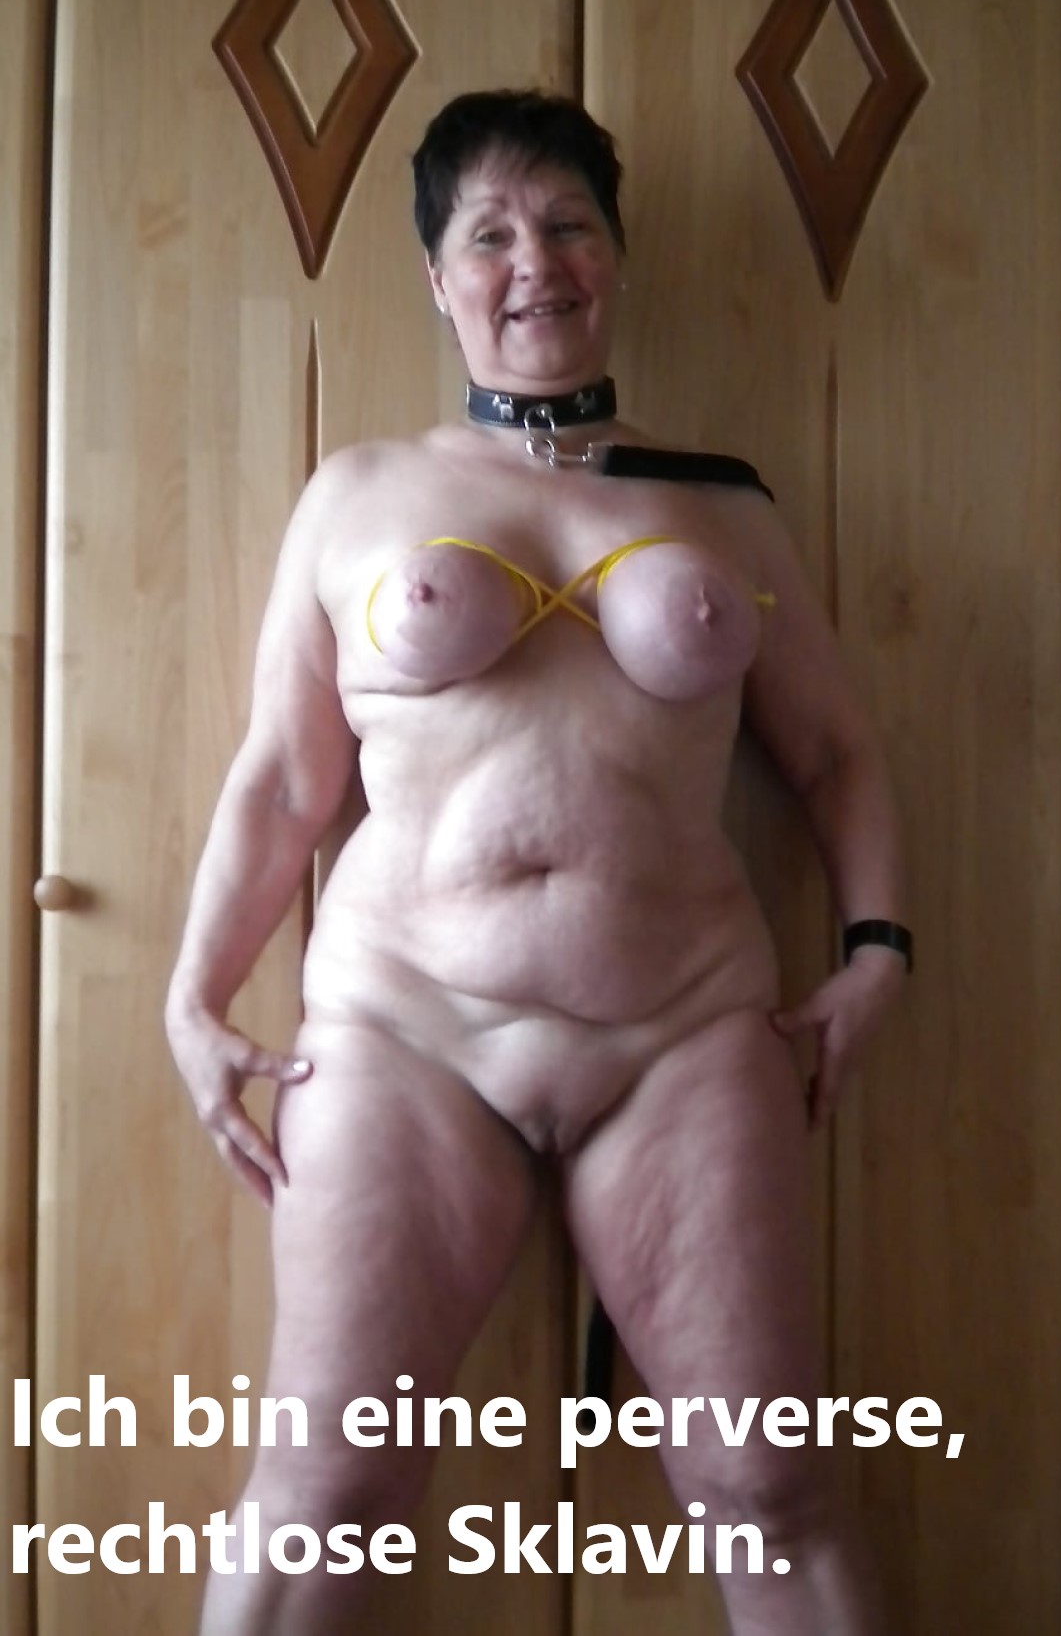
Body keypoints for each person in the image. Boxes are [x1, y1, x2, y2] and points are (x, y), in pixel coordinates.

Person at [165, 88, 910, 1636]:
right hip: (403, 1032)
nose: (534, 263)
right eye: (488, 234)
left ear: (613, 257)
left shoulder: (723, 504)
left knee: (768, 1479)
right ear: (436, 278)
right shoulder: (357, 493)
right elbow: (284, 777)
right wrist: (194, 997)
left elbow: (836, 751)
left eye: (569, 224)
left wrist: (875, 949)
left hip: (683, 1032)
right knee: (324, 1486)